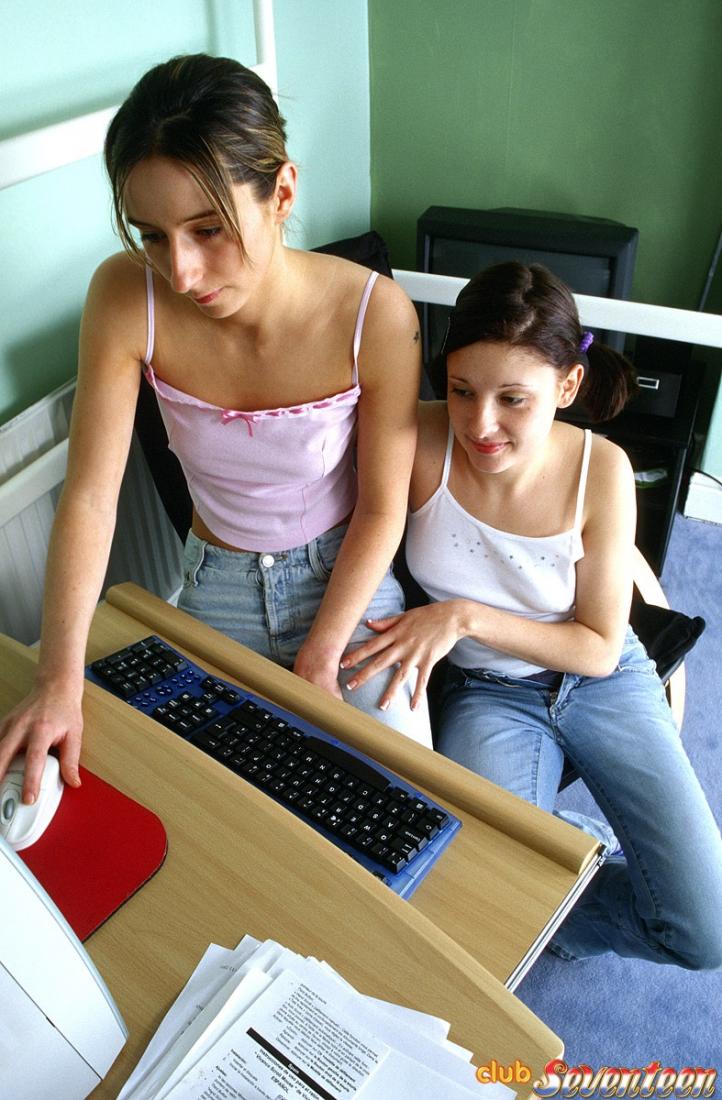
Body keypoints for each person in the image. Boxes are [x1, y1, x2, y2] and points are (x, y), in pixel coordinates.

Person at [0, 53, 431, 805]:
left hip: (347, 587)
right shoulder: (124, 295)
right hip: (214, 585)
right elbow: (92, 498)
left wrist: (322, 652)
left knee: (402, 802)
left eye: (208, 229)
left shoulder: (375, 316)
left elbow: (381, 506)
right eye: (152, 235)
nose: (182, 273)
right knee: (214, 811)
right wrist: (57, 679)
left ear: (282, 193)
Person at [342, 261, 722, 969]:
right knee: (480, 907)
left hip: (602, 681)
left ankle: (558, 900)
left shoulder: (602, 469)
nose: (480, 424)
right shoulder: (417, 440)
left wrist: (463, 617)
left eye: (513, 399)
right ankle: (554, 885)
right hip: (489, 696)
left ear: (567, 386)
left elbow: (599, 647)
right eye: (462, 390)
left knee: (706, 931)